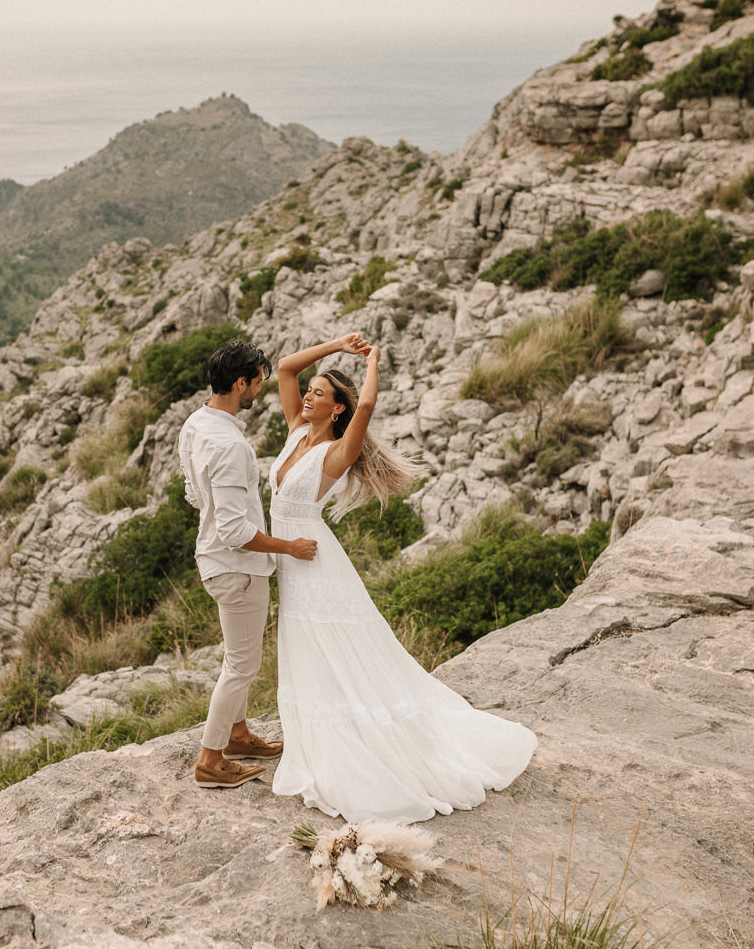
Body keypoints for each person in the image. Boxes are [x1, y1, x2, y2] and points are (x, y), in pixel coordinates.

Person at [267, 332, 537, 824]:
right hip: (291, 556)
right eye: (311, 392)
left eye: (320, 394)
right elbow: (285, 367)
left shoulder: (335, 453)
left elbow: (367, 403)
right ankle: (319, 737)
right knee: (304, 646)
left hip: (313, 559)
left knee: (332, 646)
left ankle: (357, 741)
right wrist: (334, 347)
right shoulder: (294, 432)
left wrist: (371, 361)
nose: (307, 396)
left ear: (339, 410)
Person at [178, 338, 319, 789]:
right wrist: (289, 547)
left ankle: (237, 736)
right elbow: (235, 532)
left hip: (214, 561)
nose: (260, 388)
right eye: (257, 381)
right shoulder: (232, 447)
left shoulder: (196, 424)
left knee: (235, 658)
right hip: (237, 569)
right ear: (241, 383)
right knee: (241, 666)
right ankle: (210, 760)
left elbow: (194, 495)